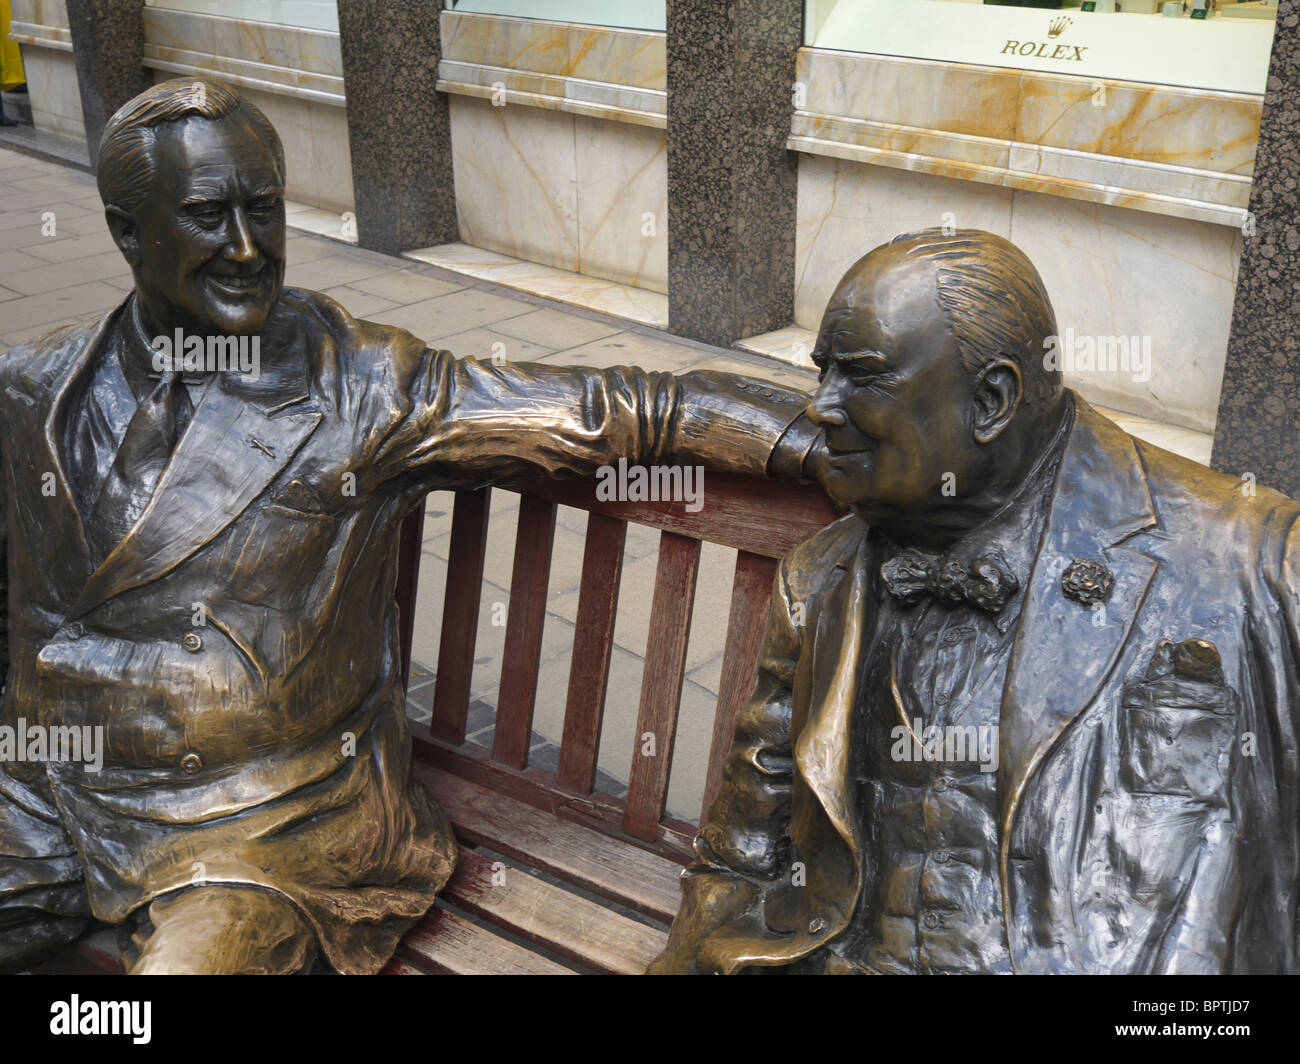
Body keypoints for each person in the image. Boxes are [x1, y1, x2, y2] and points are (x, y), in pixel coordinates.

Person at [0, 78, 817, 974]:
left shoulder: (362, 384)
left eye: (264, 210)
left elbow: (610, 413)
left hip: (263, 825)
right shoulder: (34, 387)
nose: (247, 248)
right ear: (127, 231)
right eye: (206, 216)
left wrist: (808, 438)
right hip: (47, 790)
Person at [650, 228, 1300, 974]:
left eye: (861, 376)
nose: (822, 405)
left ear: (992, 399)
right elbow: (740, 851)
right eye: (821, 371)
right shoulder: (820, 579)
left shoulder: (1253, 561)